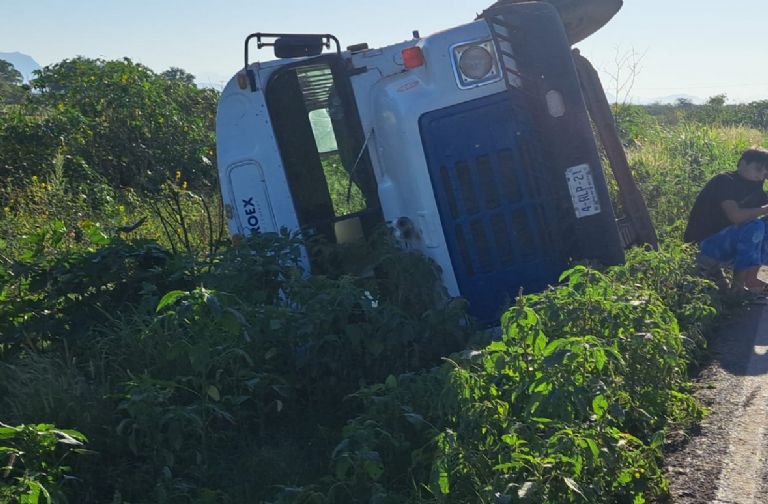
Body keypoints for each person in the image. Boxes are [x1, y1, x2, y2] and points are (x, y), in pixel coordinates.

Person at [684, 147, 768, 293]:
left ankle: (757, 282)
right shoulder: (725, 181)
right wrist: (765, 209)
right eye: (758, 169)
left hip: (724, 245)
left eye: (765, 173)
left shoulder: (756, 189)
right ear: (743, 163)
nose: (760, 176)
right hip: (702, 246)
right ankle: (738, 288)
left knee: (763, 225)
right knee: (756, 226)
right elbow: (735, 216)